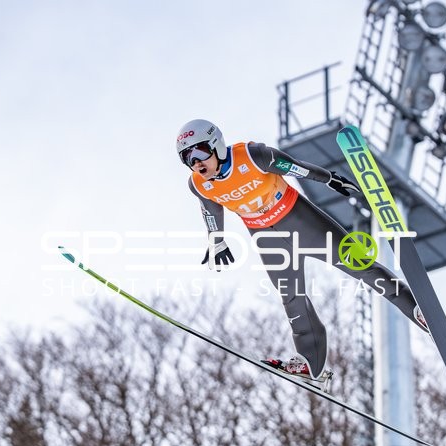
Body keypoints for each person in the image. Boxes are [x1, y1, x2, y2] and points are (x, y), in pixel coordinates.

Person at [177, 119, 427, 385]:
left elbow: (297, 169)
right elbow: (211, 210)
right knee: (291, 297)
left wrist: (330, 179)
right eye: (188, 158)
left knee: (358, 265)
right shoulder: (200, 185)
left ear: (217, 144)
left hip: (297, 219)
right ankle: (312, 361)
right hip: (265, 236)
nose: (196, 163)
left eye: (200, 152)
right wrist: (216, 241)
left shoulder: (253, 156)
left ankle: (417, 309)